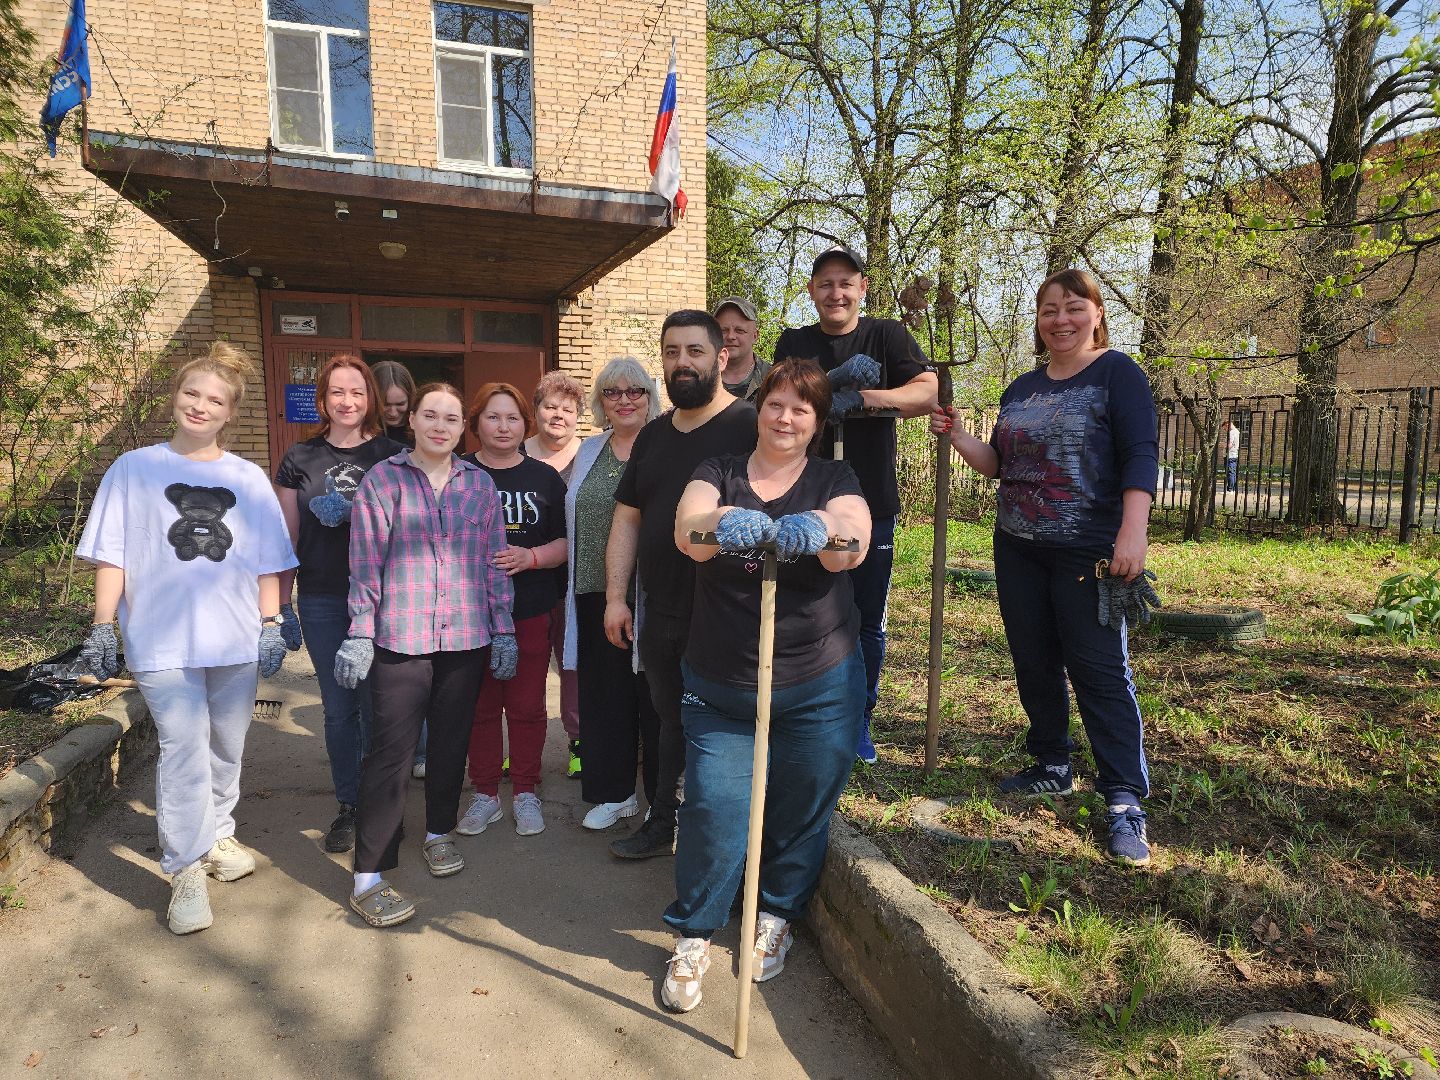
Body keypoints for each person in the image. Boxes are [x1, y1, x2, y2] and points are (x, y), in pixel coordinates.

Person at [660, 359, 871, 1012]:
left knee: (802, 805)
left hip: (819, 681)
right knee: (714, 810)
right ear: (759, 408)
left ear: (818, 420)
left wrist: (825, 533)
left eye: (801, 409)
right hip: (723, 683)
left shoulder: (835, 476)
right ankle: (694, 933)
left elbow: (852, 542)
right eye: (776, 404)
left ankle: (773, 915)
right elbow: (686, 532)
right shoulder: (717, 471)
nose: (786, 418)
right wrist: (720, 524)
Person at [931, 267, 1158, 866]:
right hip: (1019, 548)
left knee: (1099, 668)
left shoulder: (1119, 375)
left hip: (1090, 550)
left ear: (1097, 313)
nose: (1061, 319)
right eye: (1049, 309)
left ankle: (1124, 799)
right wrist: (958, 437)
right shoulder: (1021, 388)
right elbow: (1000, 464)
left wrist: (1133, 530)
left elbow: (1140, 456)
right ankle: (1052, 762)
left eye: (1073, 307)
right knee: (1033, 658)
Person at [76, 342, 297, 935]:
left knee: (227, 744)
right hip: (161, 639)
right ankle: (185, 867)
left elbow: (268, 563)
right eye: (192, 393)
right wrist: (102, 624)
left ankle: (219, 833)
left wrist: (272, 623)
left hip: (233, 640)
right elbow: (112, 554)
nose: (200, 406)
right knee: (183, 746)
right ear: (175, 397)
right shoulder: (134, 469)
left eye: (215, 399)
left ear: (231, 413)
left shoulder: (247, 480)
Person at [338, 383, 519, 928]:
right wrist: (361, 632)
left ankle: (439, 833)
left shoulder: (480, 486)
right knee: (390, 752)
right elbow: (366, 563)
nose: (441, 426)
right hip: (401, 638)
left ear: (462, 428)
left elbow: (494, 561)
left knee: (449, 743)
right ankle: (368, 872)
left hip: (465, 637)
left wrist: (502, 628)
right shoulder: (383, 482)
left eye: (451, 418)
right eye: (430, 415)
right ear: (411, 420)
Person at [774, 245, 938, 764]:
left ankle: (857, 720)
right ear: (811, 291)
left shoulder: (886, 336)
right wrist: (825, 393)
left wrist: (867, 399)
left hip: (871, 502)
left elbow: (928, 391)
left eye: (846, 283)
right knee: (803, 608)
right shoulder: (796, 341)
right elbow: (779, 402)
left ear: (862, 289)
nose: (835, 293)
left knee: (866, 615)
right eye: (825, 284)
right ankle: (801, 712)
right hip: (803, 497)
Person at [604, 311, 758, 859]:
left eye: (695, 351)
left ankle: (723, 844)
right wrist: (618, 598)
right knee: (669, 723)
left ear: (721, 357)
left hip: (729, 611)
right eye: (671, 352)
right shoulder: (651, 436)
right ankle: (661, 823)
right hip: (662, 609)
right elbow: (627, 518)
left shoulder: (752, 425)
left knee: (724, 733)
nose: (682, 363)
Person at [274, 356, 404, 853]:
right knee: (338, 709)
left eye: (356, 392)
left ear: (370, 397)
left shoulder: (393, 456)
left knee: (382, 706)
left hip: (384, 599)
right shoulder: (299, 458)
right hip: (325, 598)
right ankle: (349, 804)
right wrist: (280, 606)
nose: (347, 401)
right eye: (336, 392)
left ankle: (382, 805)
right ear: (322, 400)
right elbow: (286, 538)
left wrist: (363, 514)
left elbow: (411, 532)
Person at [457, 383, 568, 837]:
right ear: (476, 422)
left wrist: (531, 557)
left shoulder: (544, 478)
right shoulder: (458, 473)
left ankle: (525, 790)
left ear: (526, 425)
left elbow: (566, 544)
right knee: (479, 708)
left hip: (530, 609)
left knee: (525, 706)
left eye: (513, 418)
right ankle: (485, 794)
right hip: (467, 614)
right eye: (493, 417)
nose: (503, 427)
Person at [562, 357, 662, 831]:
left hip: (652, 593)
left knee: (654, 697)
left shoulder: (665, 443)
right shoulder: (588, 450)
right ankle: (615, 793)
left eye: (635, 391)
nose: (624, 400)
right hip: (593, 591)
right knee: (604, 696)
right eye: (612, 392)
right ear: (601, 402)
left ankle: (664, 802)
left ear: (650, 396)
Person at [525, 371, 586, 779]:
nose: (558, 415)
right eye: (550, 406)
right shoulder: (514, 451)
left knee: (573, 665)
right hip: (523, 579)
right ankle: (524, 744)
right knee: (525, 667)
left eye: (568, 408)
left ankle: (578, 742)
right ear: (535, 411)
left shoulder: (591, 455)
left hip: (575, 578)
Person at [714, 296, 770, 403]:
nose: (730, 336)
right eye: (723, 331)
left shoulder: (774, 379)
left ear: (755, 336)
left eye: (739, 330)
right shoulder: (702, 379)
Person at [371, 360, 417, 447]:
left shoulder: (422, 432)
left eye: (400, 404)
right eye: (385, 404)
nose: (393, 413)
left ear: (411, 399)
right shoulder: (360, 434)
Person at [1225, 420, 1240, 493]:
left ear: (1228, 425)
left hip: (1230, 454)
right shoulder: (1237, 431)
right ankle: (1232, 489)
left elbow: (1230, 444)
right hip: (1234, 454)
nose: (1225, 430)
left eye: (1225, 428)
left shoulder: (1232, 432)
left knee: (1230, 472)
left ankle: (1230, 489)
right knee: (1233, 472)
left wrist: (1224, 446)